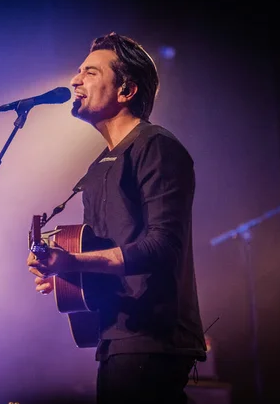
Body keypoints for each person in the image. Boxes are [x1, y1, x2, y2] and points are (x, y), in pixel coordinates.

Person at [27, 32, 207, 404]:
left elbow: (162, 247)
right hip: (113, 334)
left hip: (152, 338)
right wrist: (64, 275)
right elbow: (107, 249)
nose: (75, 80)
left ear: (126, 90)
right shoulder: (97, 168)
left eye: (90, 72)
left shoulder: (156, 146)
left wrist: (72, 261)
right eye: (78, 72)